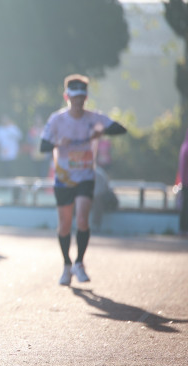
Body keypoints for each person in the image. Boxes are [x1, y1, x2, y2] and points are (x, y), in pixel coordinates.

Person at [40, 74, 126, 285]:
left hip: (86, 176)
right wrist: (58, 143)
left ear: (86, 98)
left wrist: (101, 130)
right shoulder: (57, 119)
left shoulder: (93, 118)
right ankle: (66, 265)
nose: (78, 102)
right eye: (74, 98)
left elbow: (120, 128)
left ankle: (79, 262)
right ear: (66, 97)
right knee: (64, 225)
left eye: (81, 98)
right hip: (64, 178)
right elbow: (43, 146)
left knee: (82, 220)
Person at [178, 129, 188, 236]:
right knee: (186, 207)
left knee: (185, 206)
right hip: (187, 182)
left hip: (184, 182)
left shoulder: (184, 147)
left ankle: (183, 228)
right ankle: (184, 229)